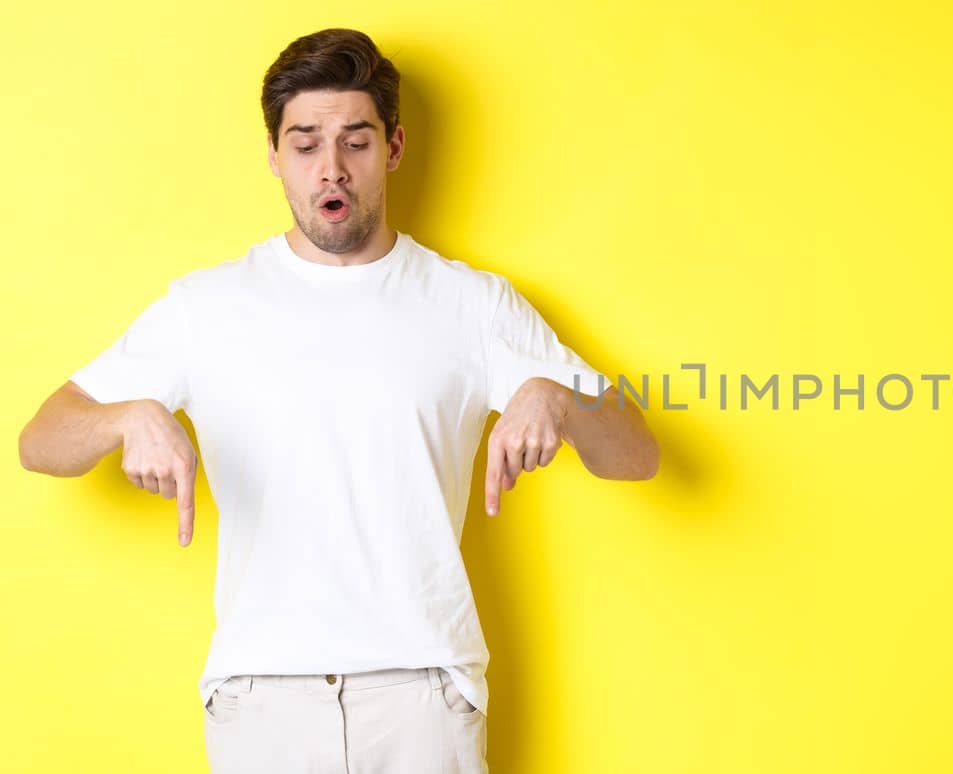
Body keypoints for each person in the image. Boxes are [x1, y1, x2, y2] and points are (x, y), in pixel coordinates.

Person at [16, 28, 659, 773]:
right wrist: (126, 416)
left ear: (393, 148)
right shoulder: (206, 307)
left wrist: (558, 398)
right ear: (273, 155)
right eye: (306, 143)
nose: (332, 168)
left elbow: (637, 455)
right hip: (261, 701)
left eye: (356, 142)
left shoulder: (472, 304)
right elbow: (41, 440)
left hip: (423, 696)